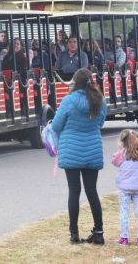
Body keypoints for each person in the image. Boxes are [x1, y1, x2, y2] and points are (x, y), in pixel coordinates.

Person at [51, 68, 107, 245]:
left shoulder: (68, 101)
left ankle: (74, 233)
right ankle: (98, 233)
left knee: (74, 191)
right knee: (92, 191)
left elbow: (57, 126)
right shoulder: (100, 101)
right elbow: (101, 122)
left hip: (71, 151)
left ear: (75, 82)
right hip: (92, 149)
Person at [111, 129, 138, 247]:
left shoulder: (123, 153)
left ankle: (124, 238)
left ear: (123, 142)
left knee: (124, 212)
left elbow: (114, 162)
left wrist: (119, 150)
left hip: (125, 188)